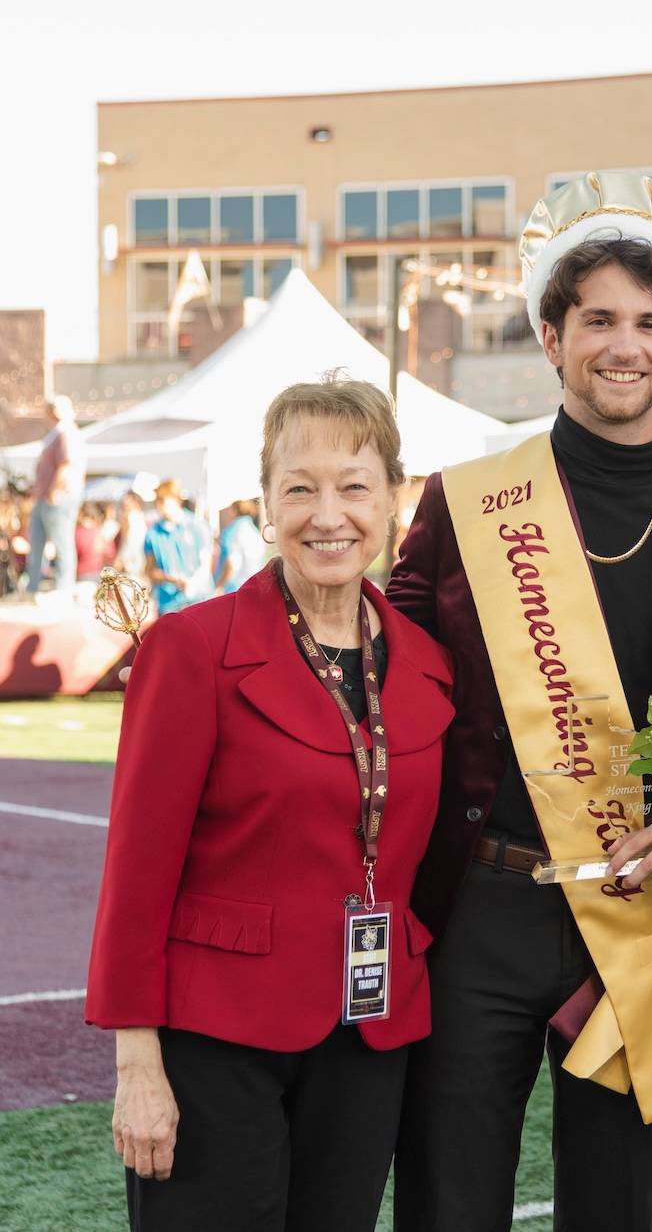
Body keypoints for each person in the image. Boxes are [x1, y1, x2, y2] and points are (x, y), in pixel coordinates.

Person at [387, 174, 652, 1232]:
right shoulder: (466, 506)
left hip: (642, 917)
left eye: (649, 323)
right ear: (550, 338)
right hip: (480, 909)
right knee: (446, 1204)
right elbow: (384, 683)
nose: (624, 345)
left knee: (614, 1210)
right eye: (596, 319)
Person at [87, 378, 454, 1230]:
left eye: (355, 486)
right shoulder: (192, 650)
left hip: (368, 1035)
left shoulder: (432, 666)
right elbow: (136, 875)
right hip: (218, 1038)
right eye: (300, 487)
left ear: (393, 500)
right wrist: (136, 1061)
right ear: (264, 505)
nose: (330, 514)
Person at [25, 395, 85, 593]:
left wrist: (54, 490)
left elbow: (66, 464)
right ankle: (33, 586)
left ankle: (64, 588)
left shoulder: (66, 433)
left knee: (62, 543)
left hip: (58, 497)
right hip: (46, 497)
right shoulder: (56, 434)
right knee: (37, 543)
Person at [141, 482, 205, 616]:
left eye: (162, 500)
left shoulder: (196, 525)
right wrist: (172, 579)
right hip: (169, 605)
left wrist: (193, 583)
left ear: (176, 500)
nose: (158, 505)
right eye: (157, 500)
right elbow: (150, 571)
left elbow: (206, 561)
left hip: (199, 600)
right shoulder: (152, 533)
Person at [212, 499, 267, 594]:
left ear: (234, 510)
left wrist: (219, 586)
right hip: (253, 588)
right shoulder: (255, 531)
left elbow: (232, 563)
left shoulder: (232, 531)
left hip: (233, 590)